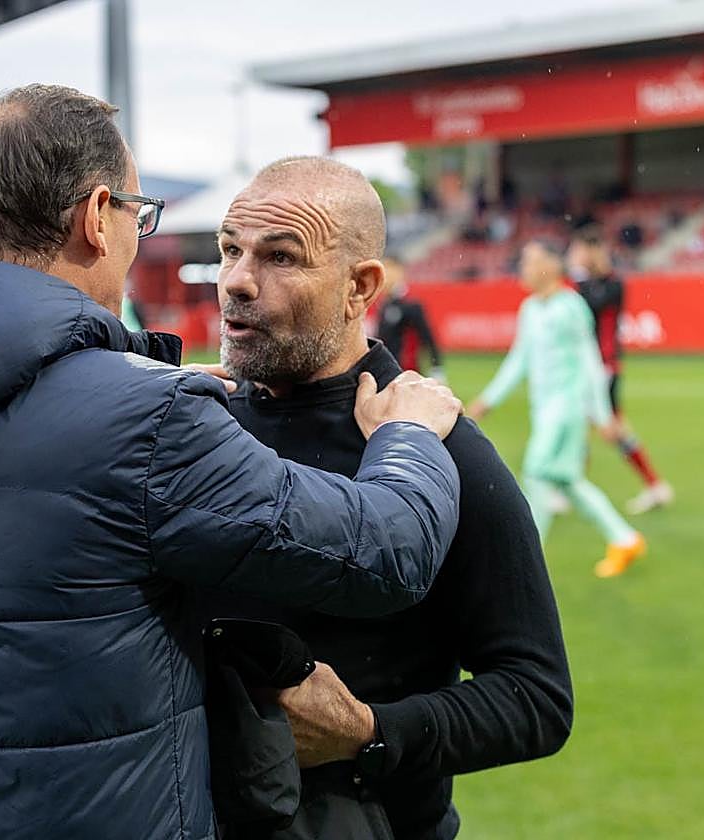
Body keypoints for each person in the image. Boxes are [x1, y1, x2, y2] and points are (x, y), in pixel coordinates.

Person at [0, 84, 463, 840]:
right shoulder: (145, 419)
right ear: (96, 216)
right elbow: (384, 551)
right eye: (135, 213)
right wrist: (408, 435)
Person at [194, 157, 571, 839]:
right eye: (229, 249)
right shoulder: (200, 424)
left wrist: (370, 733)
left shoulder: (444, 450)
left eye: (281, 256)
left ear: (359, 286)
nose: (237, 281)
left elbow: (537, 698)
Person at [468, 240, 646, 578]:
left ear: (550, 266)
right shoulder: (530, 309)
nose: (522, 268)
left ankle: (524, 558)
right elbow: (518, 360)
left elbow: (591, 362)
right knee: (566, 480)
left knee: (536, 471)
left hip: (567, 407)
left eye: (530, 261)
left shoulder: (571, 307)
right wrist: (487, 400)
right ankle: (624, 539)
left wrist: (603, 413)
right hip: (543, 408)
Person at [567, 229, 673, 514]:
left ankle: (654, 485)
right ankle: (569, 486)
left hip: (605, 367)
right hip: (595, 366)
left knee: (607, 428)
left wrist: (579, 276)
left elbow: (591, 307)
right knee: (593, 426)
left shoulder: (611, 285)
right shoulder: (591, 284)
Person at [375, 256, 445, 381]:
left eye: (388, 269)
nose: (384, 275)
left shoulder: (411, 304)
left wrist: (436, 368)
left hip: (406, 374)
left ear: (399, 273)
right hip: (385, 372)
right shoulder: (384, 304)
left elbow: (428, 337)